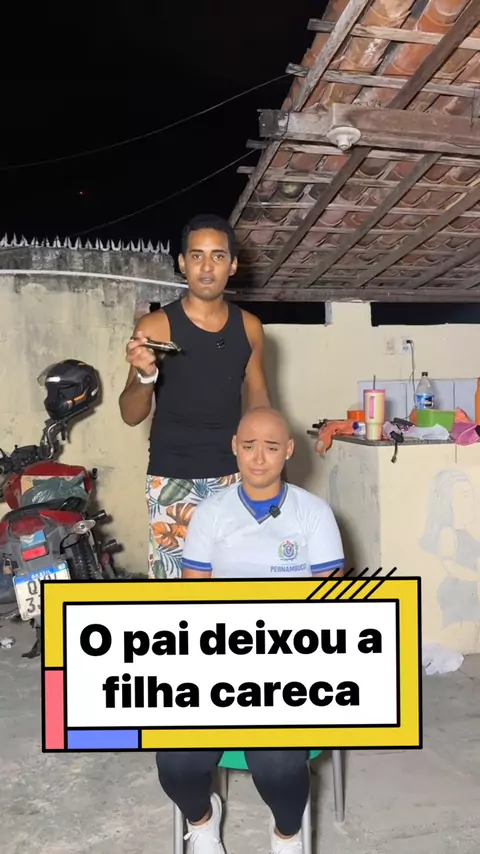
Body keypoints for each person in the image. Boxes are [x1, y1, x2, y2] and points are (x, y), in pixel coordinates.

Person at [156, 407, 345, 854]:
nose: (259, 458)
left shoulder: (313, 513)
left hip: (294, 660)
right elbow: (193, 603)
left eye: (272, 447)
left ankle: (286, 833)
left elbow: (333, 609)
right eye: (249, 446)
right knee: (175, 761)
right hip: (220, 655)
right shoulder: (211, 513)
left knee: (278, 763)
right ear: (234, 448)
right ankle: (202, 820)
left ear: (289, 451)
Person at [119, 214, 270, 579]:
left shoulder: (250, 327)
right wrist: (146, 375)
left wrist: (268, 467)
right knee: (176, 593)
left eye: (218, 256)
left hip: (234, 478)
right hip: (172, 478)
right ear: (182, 263)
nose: (206, 267)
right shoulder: (155, 327)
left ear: (232, 265)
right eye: (197, 256)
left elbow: (260, 403)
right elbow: (130, 414)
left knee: (237, 586)